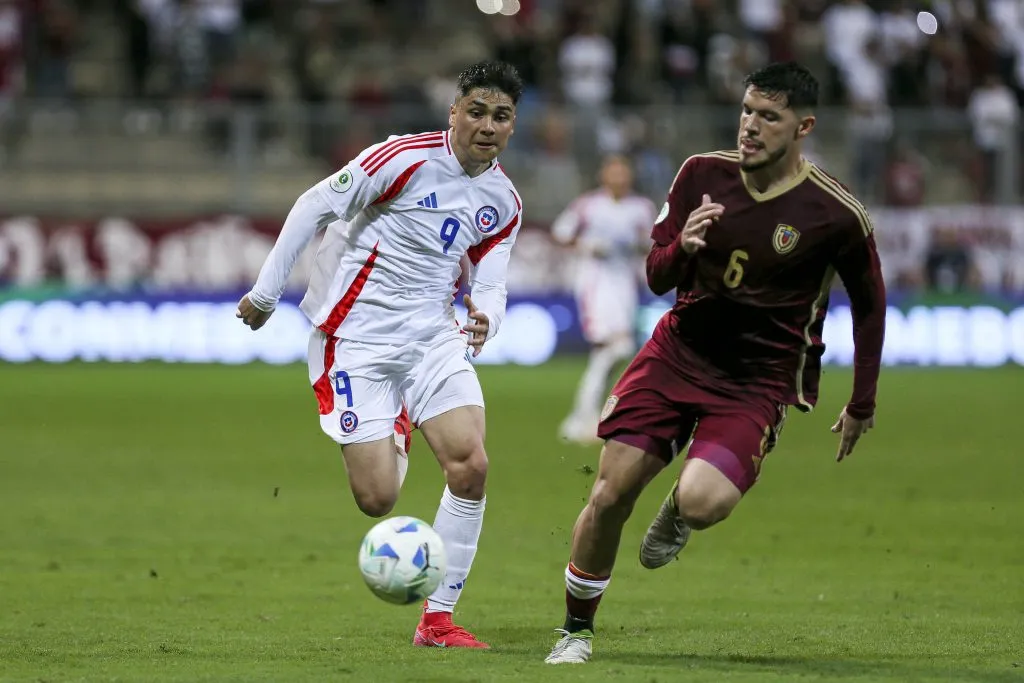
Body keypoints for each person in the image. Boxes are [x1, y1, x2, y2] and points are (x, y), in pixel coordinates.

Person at [544, 61, 887, 664]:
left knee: (705, 503)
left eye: (769, 117)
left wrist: (862, 400)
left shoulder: (835, 213)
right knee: (610, 493)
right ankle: (575, 631)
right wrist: (684, 249)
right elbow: (655, 275)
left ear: (802, 126)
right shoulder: (700, 174)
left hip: (757, 381)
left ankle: (677, 510)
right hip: (677, 356)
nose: (751, 126)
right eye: (747, 111)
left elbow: (870, 305)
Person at [236, 60, 525, 650]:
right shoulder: (401, 158)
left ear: (512, 125)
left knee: (470, 466)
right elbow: (314, 205)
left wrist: (488, 317)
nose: (488, 126)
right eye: (477, 111)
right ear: (454, 111)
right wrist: (267, 291)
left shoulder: (503, 201)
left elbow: (491, 281)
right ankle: (396, 421)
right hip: (355, 341)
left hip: (432, 339)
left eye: (501, 116)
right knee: (378, 500)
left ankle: (437, 619)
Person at [551, 155, 657, 445]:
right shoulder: (588, 205)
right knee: (611, 346)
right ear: (604, 176)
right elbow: (561, 233)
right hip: (595, 283)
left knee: (613, 351)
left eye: (624, 173)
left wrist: (638, 247)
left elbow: (653, 242)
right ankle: (582, 418)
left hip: (625, 283)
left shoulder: (642, 208)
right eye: (614, 172)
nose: (619, 178)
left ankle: (585, 417)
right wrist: (587, 245)